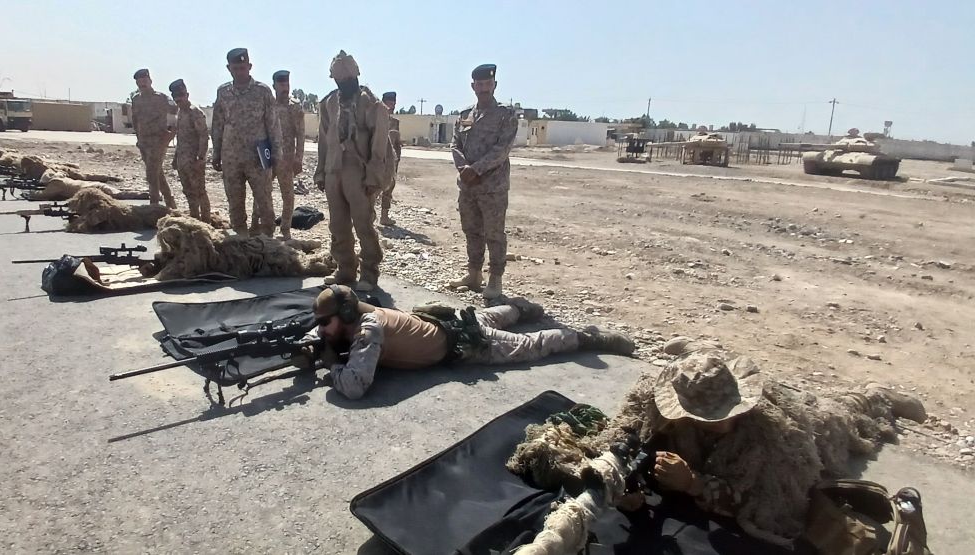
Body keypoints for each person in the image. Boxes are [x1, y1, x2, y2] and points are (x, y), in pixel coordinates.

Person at [509, 340, 928, 547]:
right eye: (707, 418)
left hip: (814, 428)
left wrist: (695, 484)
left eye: (724, 415)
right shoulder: (660, 408)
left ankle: (878, 396)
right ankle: (696, 349)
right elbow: (627, 436)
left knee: (839, 418)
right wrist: (625, 488)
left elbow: (769, 508)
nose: (719, 424)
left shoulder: (776, 438)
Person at [307, 285, 636, 400]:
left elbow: (355, 386)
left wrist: (332, 364)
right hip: (451, 322)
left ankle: (588, 338)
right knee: (488, 315)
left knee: (529, 346)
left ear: (346, 314)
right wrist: (314, 343)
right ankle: (520, 308)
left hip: (466, 342)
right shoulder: (360, 314)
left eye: (324, 323)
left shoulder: (369, 328)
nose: (321, 329)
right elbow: (332, 337)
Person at [314, 50, 390, 292]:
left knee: (363, 224)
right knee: (338, 225)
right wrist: (320, 172)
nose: (344, 83)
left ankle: (369, 272)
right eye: (340, 80)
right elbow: (324, 140)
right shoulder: (329, 103)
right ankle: (345, 269)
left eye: (348, 79)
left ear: (356, 76)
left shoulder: (371, 104)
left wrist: (374, 177)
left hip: (359, 172)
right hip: (333, 170)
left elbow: (379, 143)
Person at [448, 64, 518, 299]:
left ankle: (495, 279)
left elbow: (502, 149)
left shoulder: (505, 115)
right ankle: (474, 274)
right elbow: (455, 144)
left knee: (494, 234)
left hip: (492, 187)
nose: (484, 88)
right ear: (473, 86)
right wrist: (463, 168)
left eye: (488, 84)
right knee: (471, 230)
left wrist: (476, 169)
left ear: (495, 85)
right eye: (479, 84)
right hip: (468, 186)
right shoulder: (465, 115)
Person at [211, 47, 282, 237]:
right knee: (235, 202)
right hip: (231, 157)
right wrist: (216, 153)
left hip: (257, 157)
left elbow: (273, 124)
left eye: (242, 68)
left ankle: (267, 241)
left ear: (249, 67)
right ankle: (241, 241)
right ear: (229, 68)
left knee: (264, 202)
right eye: (235, 68)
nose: (239, 72)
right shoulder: (223, 92)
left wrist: (276, 153)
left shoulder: (262, 91)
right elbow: (217, 124)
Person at [264, 70, 305, 239]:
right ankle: (262, 227)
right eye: (281, 85)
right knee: (262, 192)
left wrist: (298, 158)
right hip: (267, 157)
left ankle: (285, 229)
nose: (285, 88)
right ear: (274, 86)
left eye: (287, 84)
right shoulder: (268, 105)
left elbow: (300, 134)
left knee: (288, 195)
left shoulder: (294, 106)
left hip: (286, 159)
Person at [130, 68, 178, 208]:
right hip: (144, 143)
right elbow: (135, 120)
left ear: (150, 81)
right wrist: (138, 138)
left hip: (158, 141)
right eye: (139, 82)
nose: (142, 84)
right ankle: (170, 203)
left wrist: (170, 135)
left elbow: (175, 113)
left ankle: (154, 205)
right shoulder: (136, 99)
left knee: (151, 173)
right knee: (157, 174)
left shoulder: (161, 98)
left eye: (144, 81)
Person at [169, 79, 211, 222]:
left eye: (181, 96)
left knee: (200, 192)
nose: (179, 100)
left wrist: (201, 158)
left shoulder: (195, 112)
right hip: (183, 160)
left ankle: (206, 221)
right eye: (176, 98)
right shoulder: (180, 112)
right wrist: (175, 158)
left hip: (194, 160)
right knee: (188, 191)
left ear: (187, 95)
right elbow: (180, 138)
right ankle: (194, 219)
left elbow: (203, 136)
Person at [379, 91, 402, 226]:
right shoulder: (375, 119)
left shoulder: (395, 122)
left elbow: (397, 144)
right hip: (376, 160)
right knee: (372, 188)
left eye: (394, 103)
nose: (392, 105)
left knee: (389, 187)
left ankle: (384, 216)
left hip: (390, 161)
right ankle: (369, 216)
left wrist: (396, 161)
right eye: (390, 103)